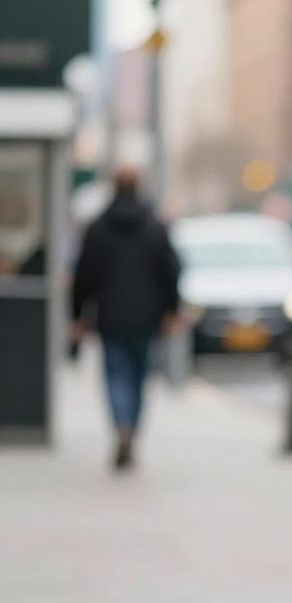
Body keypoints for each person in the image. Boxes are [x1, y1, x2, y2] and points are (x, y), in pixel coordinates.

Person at [71, 166, 182, 471]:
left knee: (115, 375)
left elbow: (83, 274)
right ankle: (131, 429)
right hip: (147, 317)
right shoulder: (154, 226)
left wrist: (78, 314)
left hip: (110, 316)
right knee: (138, 377)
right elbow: (171, 272)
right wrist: (171, 311)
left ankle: (121, 426)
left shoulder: (98, 227)